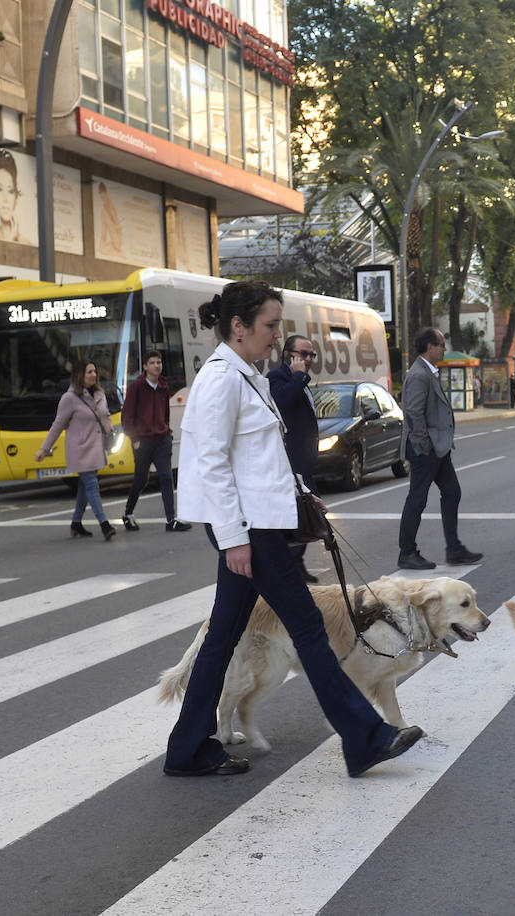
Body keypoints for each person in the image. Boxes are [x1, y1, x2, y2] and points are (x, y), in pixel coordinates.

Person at [164, 280, 422, 779]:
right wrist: (234, 538)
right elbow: (213, 464)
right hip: (250, 530)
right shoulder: (221, 378)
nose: (277, 335)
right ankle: (365, 738)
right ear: (238, 327)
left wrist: (300, 492)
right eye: (270, 325)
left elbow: (259, 458)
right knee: (306, 625)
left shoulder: (246, 376)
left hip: (259, 523)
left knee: (223, 635)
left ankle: (187, 748)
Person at [397, 328, 484, 570]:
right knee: (417, 498)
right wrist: (424, 444)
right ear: (430, 347)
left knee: (452, 492)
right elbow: (413, 412)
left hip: (438, 448)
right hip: (426, 448)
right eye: (441, 345)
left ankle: (454, 548)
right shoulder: (419, 375)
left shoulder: (429, 372)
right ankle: (407, 552)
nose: (444, 349)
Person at [36, 361, 116, 540]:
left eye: (95, 371)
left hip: (96, 447)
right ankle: (104, 524)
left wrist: (110, 429)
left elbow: (105, 415)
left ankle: (76, 523)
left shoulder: (99, 393)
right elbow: (58, 425)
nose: (94, 374)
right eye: (89, 372)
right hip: (80, 449)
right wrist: (44, 449)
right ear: (79, 374)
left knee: (84, 486)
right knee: (92, 486)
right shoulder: (69, 398)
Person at [268, 335, 320, 582]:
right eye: (304, 354)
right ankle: (289, 567)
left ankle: (297, 564)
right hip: (291, 461)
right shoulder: (276, 378)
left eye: (312, 355)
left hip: (305, 458)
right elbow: (283, 401)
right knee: (297, 516)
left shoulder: (302, 381)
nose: (309, 359)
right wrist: (299, 376)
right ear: (289, 354)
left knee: (306, 515)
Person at [120, 350, 190, 532]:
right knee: (141, 479)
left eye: (159, 362)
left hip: (162, 440)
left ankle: (170, 520)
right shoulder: (137, 387)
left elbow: (165, 412)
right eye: (152, 362)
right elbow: (127, 416)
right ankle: (128, 513)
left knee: (166, 477)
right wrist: (134, 438)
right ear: (145, 367)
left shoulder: (163, 386)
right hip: (142, 441)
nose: (156, 365)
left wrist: (167, 430)